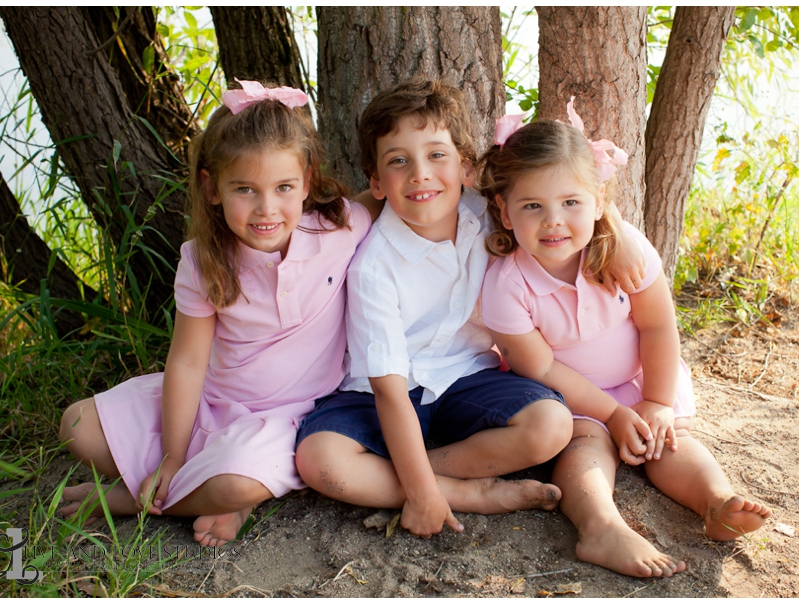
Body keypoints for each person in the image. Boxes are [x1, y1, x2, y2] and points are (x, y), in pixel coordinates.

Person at [294, 79, 645, 538]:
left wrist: (612, 228)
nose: (420, 174)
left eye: (436, 155)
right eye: (398, 161)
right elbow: (389, 392)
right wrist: (421, 495)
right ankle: (460, 491)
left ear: (465, 167)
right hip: (379, 392)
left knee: (551, 425)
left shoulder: (487, 212)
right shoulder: (374, 268)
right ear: (376, 181)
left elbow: (559, 181)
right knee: (319, 460)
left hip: (469, 377)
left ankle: (404, 476)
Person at [58, 80, 376, 547]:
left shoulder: (338, 228)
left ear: (307, 183)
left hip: (288, 418)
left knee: (237, 484)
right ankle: (191, 481)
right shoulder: (203, 261)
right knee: (77, 427)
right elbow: (187, 363)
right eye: (245, 189)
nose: (267, 209)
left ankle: (133, 499)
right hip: (211, 401)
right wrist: (172, 454)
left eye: (284, 187)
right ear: (212, 188)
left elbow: (377, 200)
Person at [479, 99, 772, 577]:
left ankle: (716, 502)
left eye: (571, 203)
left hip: (640, 383)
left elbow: (658, 324)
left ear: (597, 201)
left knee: (668, 439)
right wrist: (611, 414)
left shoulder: (622, 251)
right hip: (570, 396)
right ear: (505, 212)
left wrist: (655, 401)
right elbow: (542, 368)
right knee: (584, 449)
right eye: (533, 206)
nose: (554, 220)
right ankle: (600, 527)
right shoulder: (507, 286)